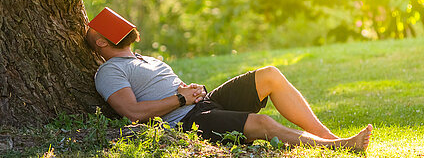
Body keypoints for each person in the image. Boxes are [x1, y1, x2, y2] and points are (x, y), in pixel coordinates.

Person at [86, 27, 372, 151]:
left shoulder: (142, 58)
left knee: (269, 75)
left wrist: (189, 91)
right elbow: (132, 112)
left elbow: (165, 91)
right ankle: (338, 146)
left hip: (202, 102)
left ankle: (327, 136)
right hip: (188, 122)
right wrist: (179, 98)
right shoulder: (110, 71)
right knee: (261, 123)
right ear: (101, 43)